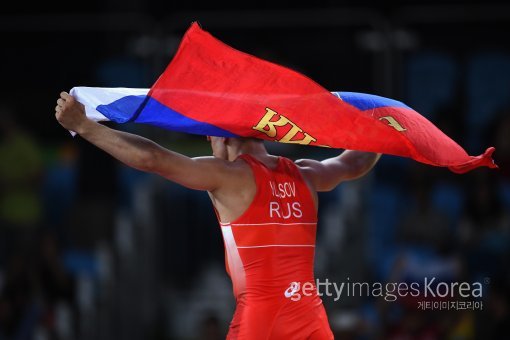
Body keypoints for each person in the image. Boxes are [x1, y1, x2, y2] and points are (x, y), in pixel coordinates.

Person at [54, 91, 381, 339]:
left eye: (208, 138)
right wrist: (385, 126)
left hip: (261, 318)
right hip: (310, 316)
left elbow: (153, 158)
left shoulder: (230, 175)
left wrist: (85, 127)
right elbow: (354, 163)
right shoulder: (307, 173)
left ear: (221, 136)